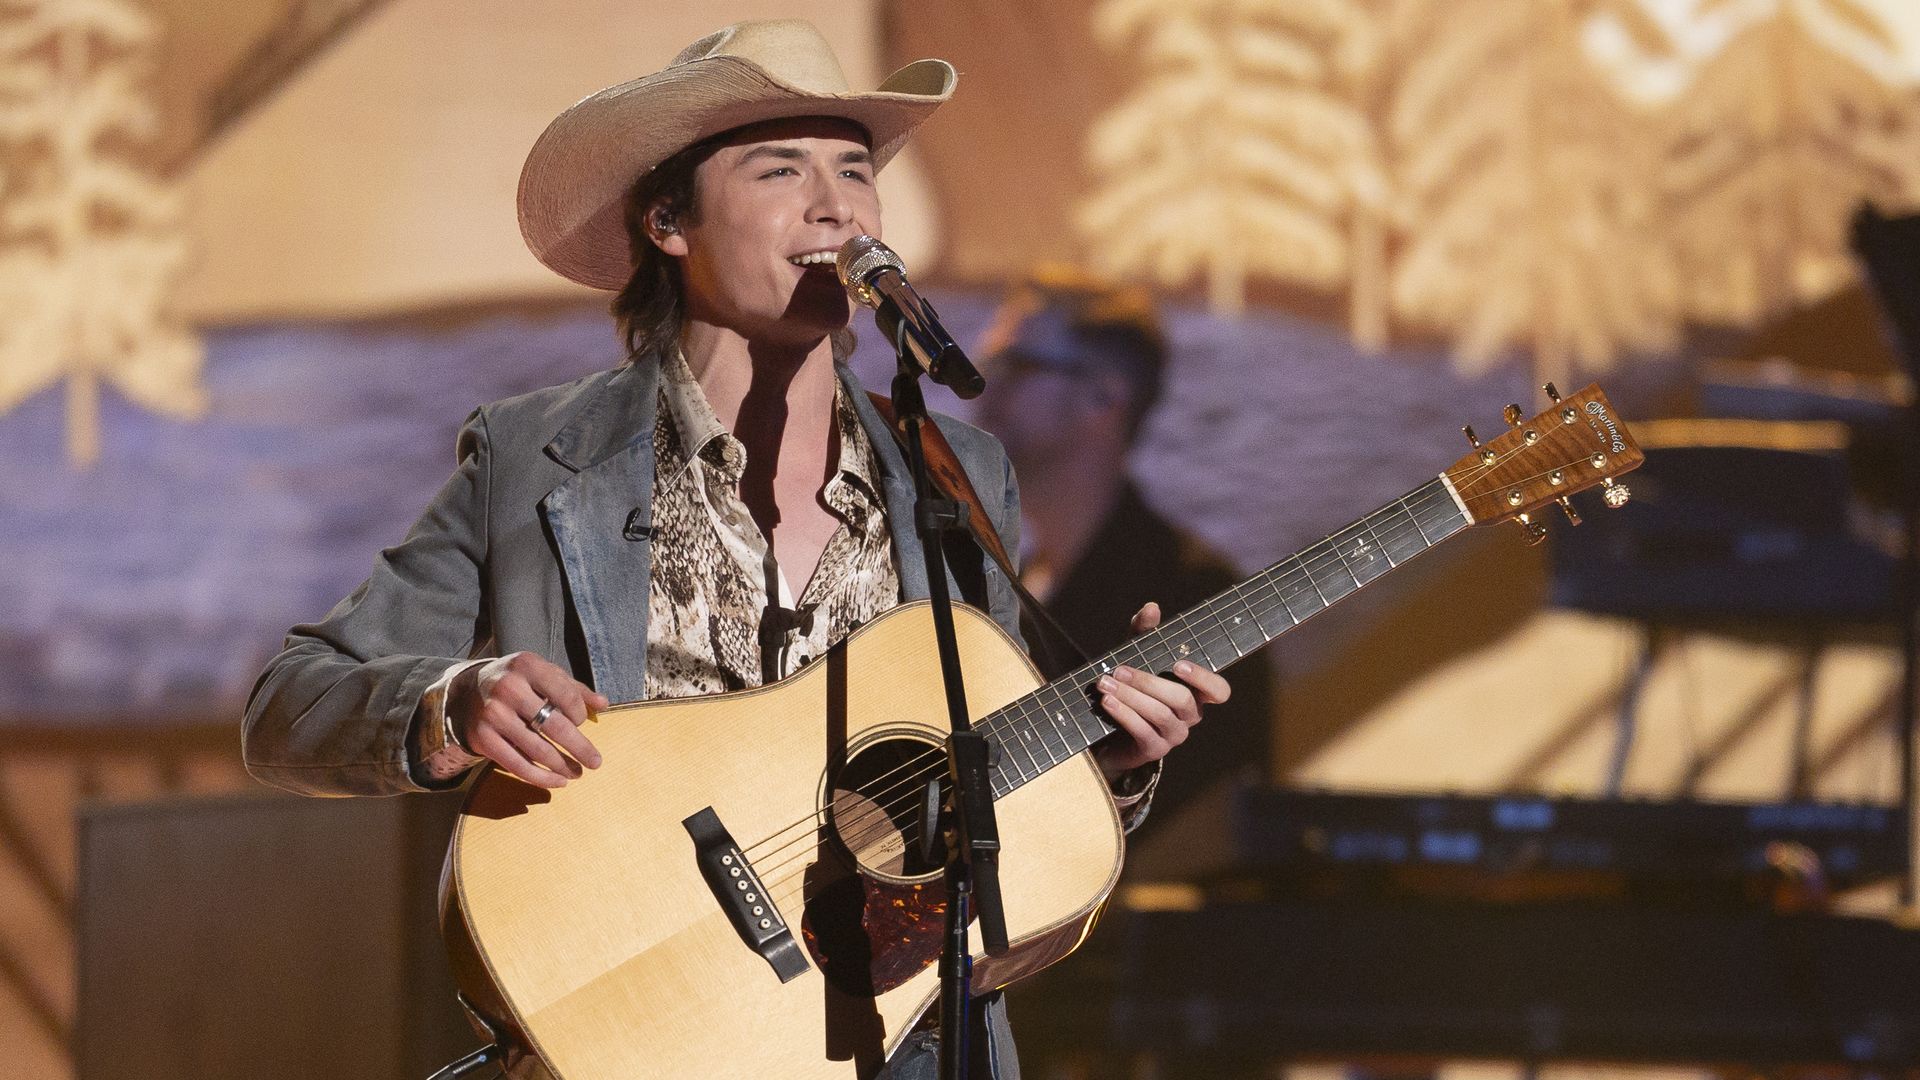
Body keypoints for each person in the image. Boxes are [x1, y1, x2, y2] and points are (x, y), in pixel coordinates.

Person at [240, 21, 1230, 1080]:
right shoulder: (539, 459)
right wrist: (454, 704)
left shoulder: (957, 473)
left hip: (896, 1045)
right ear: (669, 220)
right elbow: (291, 706)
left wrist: (1107, 765)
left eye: (856, 169)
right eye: (781, 169)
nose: (837, 206)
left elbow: (973, 806)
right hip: (630, 1031)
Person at [974, 268, 1277, 842]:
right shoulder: (1010, 581)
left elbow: (1198, 837)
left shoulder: (1195, 594)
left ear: (1103, 397)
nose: (985, 388)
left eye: (1017, 364)